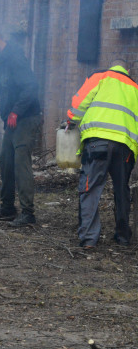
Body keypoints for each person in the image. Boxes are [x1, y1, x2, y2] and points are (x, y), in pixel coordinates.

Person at [66, 62, 138, 248]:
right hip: (125, 147)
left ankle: (89, 239)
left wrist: (71, 120)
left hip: (97, 143)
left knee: (90, 188)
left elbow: (78, 105)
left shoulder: (99, 77)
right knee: (122, 190)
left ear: (112, 67)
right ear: (127, 71)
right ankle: (123, 237)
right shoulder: (135, 87)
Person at [0, 27, 42, 226]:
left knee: (20, 161)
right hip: (13, 119)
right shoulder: (2, 60)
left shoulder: (15, 58)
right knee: (5, 159)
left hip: (25, 117)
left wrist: (16, 111)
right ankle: (7, 208)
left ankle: (28, 214)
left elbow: (31, 87)